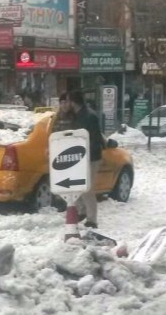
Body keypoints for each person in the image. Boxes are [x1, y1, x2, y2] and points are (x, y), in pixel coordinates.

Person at [66, 90, 106, 229]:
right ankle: (83, 212)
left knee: (87, 188)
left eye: (69, 101)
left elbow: (95, 138)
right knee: (80, 186)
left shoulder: (89, 116)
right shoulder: (77, 115)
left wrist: (86, 154)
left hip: (91, 157)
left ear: (73, 102)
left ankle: (92, 220)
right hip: (81, 156)